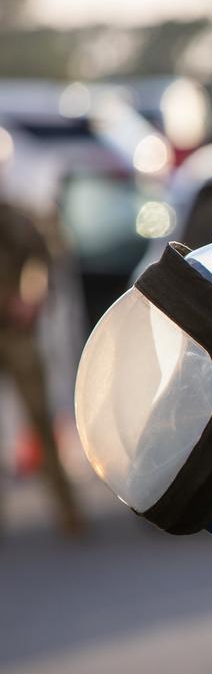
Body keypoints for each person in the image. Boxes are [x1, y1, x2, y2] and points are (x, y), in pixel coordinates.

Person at [0, 194, 83, 537]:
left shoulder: (14, 216)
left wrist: (29, 299)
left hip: (15, 331)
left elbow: (42, 260)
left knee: (40, 420)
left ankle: (68, 513)